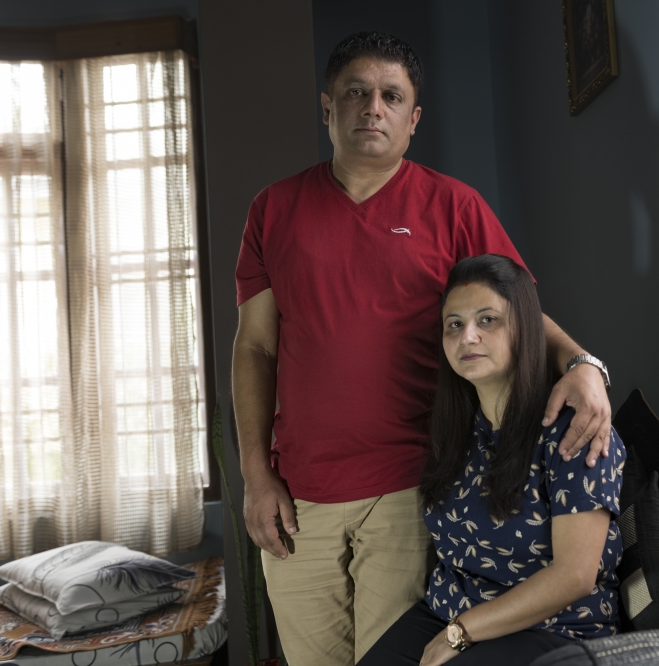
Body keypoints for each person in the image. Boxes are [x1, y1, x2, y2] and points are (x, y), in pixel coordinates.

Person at [233, 32, 615, 666]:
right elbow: (255, 350)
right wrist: (254, 475)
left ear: (413, 120)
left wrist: (583, 364)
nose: (372, 107)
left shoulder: (454, 205)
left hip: (413, 488)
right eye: (356, 93)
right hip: (301, 495)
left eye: (390, 96)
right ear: (327, 107)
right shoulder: (272, 210)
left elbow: (513, 313)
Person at [358, 255, 625, 666]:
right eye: (454, 324)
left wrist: (461, 632)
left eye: (487, 320)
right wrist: (455, 625)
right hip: (447, 612)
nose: (468, 337)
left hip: (551, 628)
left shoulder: (574, 427)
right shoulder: (457, 428)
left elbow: (575, 575)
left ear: (525, 329)